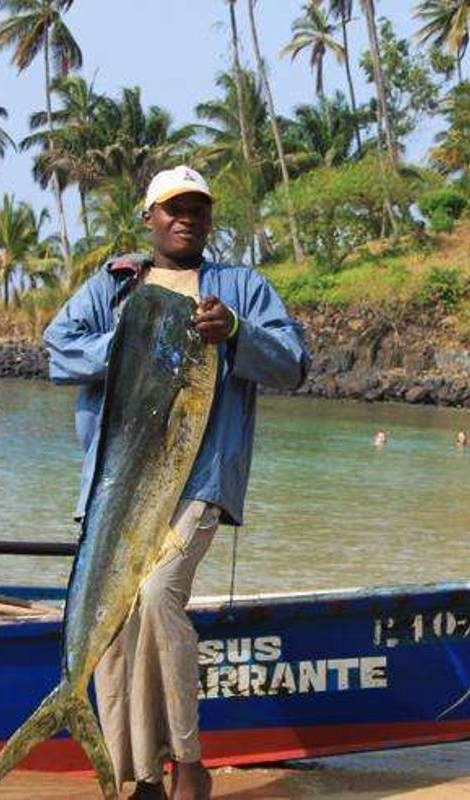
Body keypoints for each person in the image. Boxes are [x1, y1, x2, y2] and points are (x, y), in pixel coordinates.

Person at [43, 165, 310, 800]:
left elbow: (294, 364)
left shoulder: (240, 287)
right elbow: (58, 349)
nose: (186, 218)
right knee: (112, 621)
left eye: (197, 209)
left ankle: (188, 760)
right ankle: (135, 778)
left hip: (201, 479)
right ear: (149, 217)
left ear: (210, 219)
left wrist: (237, 332)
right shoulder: (114, 284)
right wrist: (130, 341)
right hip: (116, 484)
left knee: (159, 593)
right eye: (173, 208)